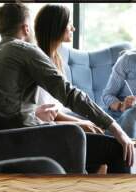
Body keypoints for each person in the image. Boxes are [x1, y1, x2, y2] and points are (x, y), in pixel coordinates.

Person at [0, 3, 134, 173]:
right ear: (26, 28)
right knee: (119, 150)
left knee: (93, 151)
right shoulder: (23, 50)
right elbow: (69, 93)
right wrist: (116, 128)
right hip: (25, 140)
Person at [34, 4, 103, 134]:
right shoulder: (39, 62)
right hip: (45, 124)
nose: (73, 28)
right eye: (69, 23)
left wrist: (81, 121)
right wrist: (79, 123)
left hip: (59, 116)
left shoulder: (56, 58)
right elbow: (49, 113)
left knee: (99, 126)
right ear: (56, 26)